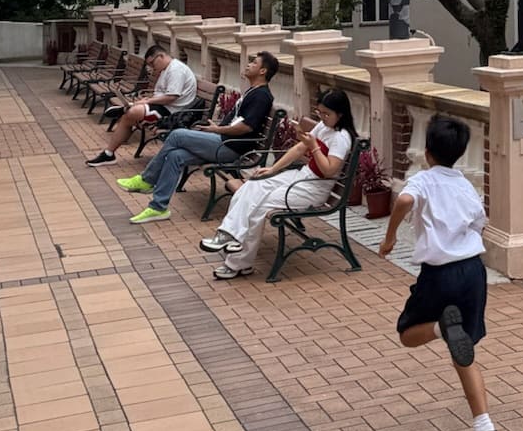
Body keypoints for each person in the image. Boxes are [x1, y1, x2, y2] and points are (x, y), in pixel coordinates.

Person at [380, 114, 502, 431]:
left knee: (407, 333)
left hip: (440, 272)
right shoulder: (465, 184)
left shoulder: (424, 180)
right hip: (473, 271)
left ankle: (439, 327)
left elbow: (404, 201)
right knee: (463, 349)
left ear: (427, 151)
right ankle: (485, 429)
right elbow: (479, 221)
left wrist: (390, 239)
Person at [199, 88, 356, 278]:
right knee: (252, 186)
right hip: (301, 176)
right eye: (319, 112)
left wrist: (314, 147)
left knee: (260, 205)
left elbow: (329, 170)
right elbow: (299, 149)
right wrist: (273, 169)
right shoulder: (323, 127)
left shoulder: (341, 137)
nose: (322, 117)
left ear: (340, 114)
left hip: (314, 188)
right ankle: (228, 234)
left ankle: (238, 263)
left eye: (327, 114)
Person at [118, 51, 279, 222]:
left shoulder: (261, 96)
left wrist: (217, 130)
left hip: (230, 148)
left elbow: (245, 127)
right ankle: (158, 208)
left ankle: (147, 179)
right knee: (175, 156)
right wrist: (217, 128)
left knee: (177, 135)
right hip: (224, 141)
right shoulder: (252, 91)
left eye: (254, 63)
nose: (249, 65)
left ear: (263, 71)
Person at [85, 47, 199, 163]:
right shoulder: (167, 69)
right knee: (128, 118)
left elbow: (171, 97)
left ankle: (126, 108)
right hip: (165, 107)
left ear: (161, 56)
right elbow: (164, 94)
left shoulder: (176, 70)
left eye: (152, 63)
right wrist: (149, 99)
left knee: (132, 113)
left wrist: (148, 101)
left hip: (173, 112)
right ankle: (109, 153)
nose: (151, 67)